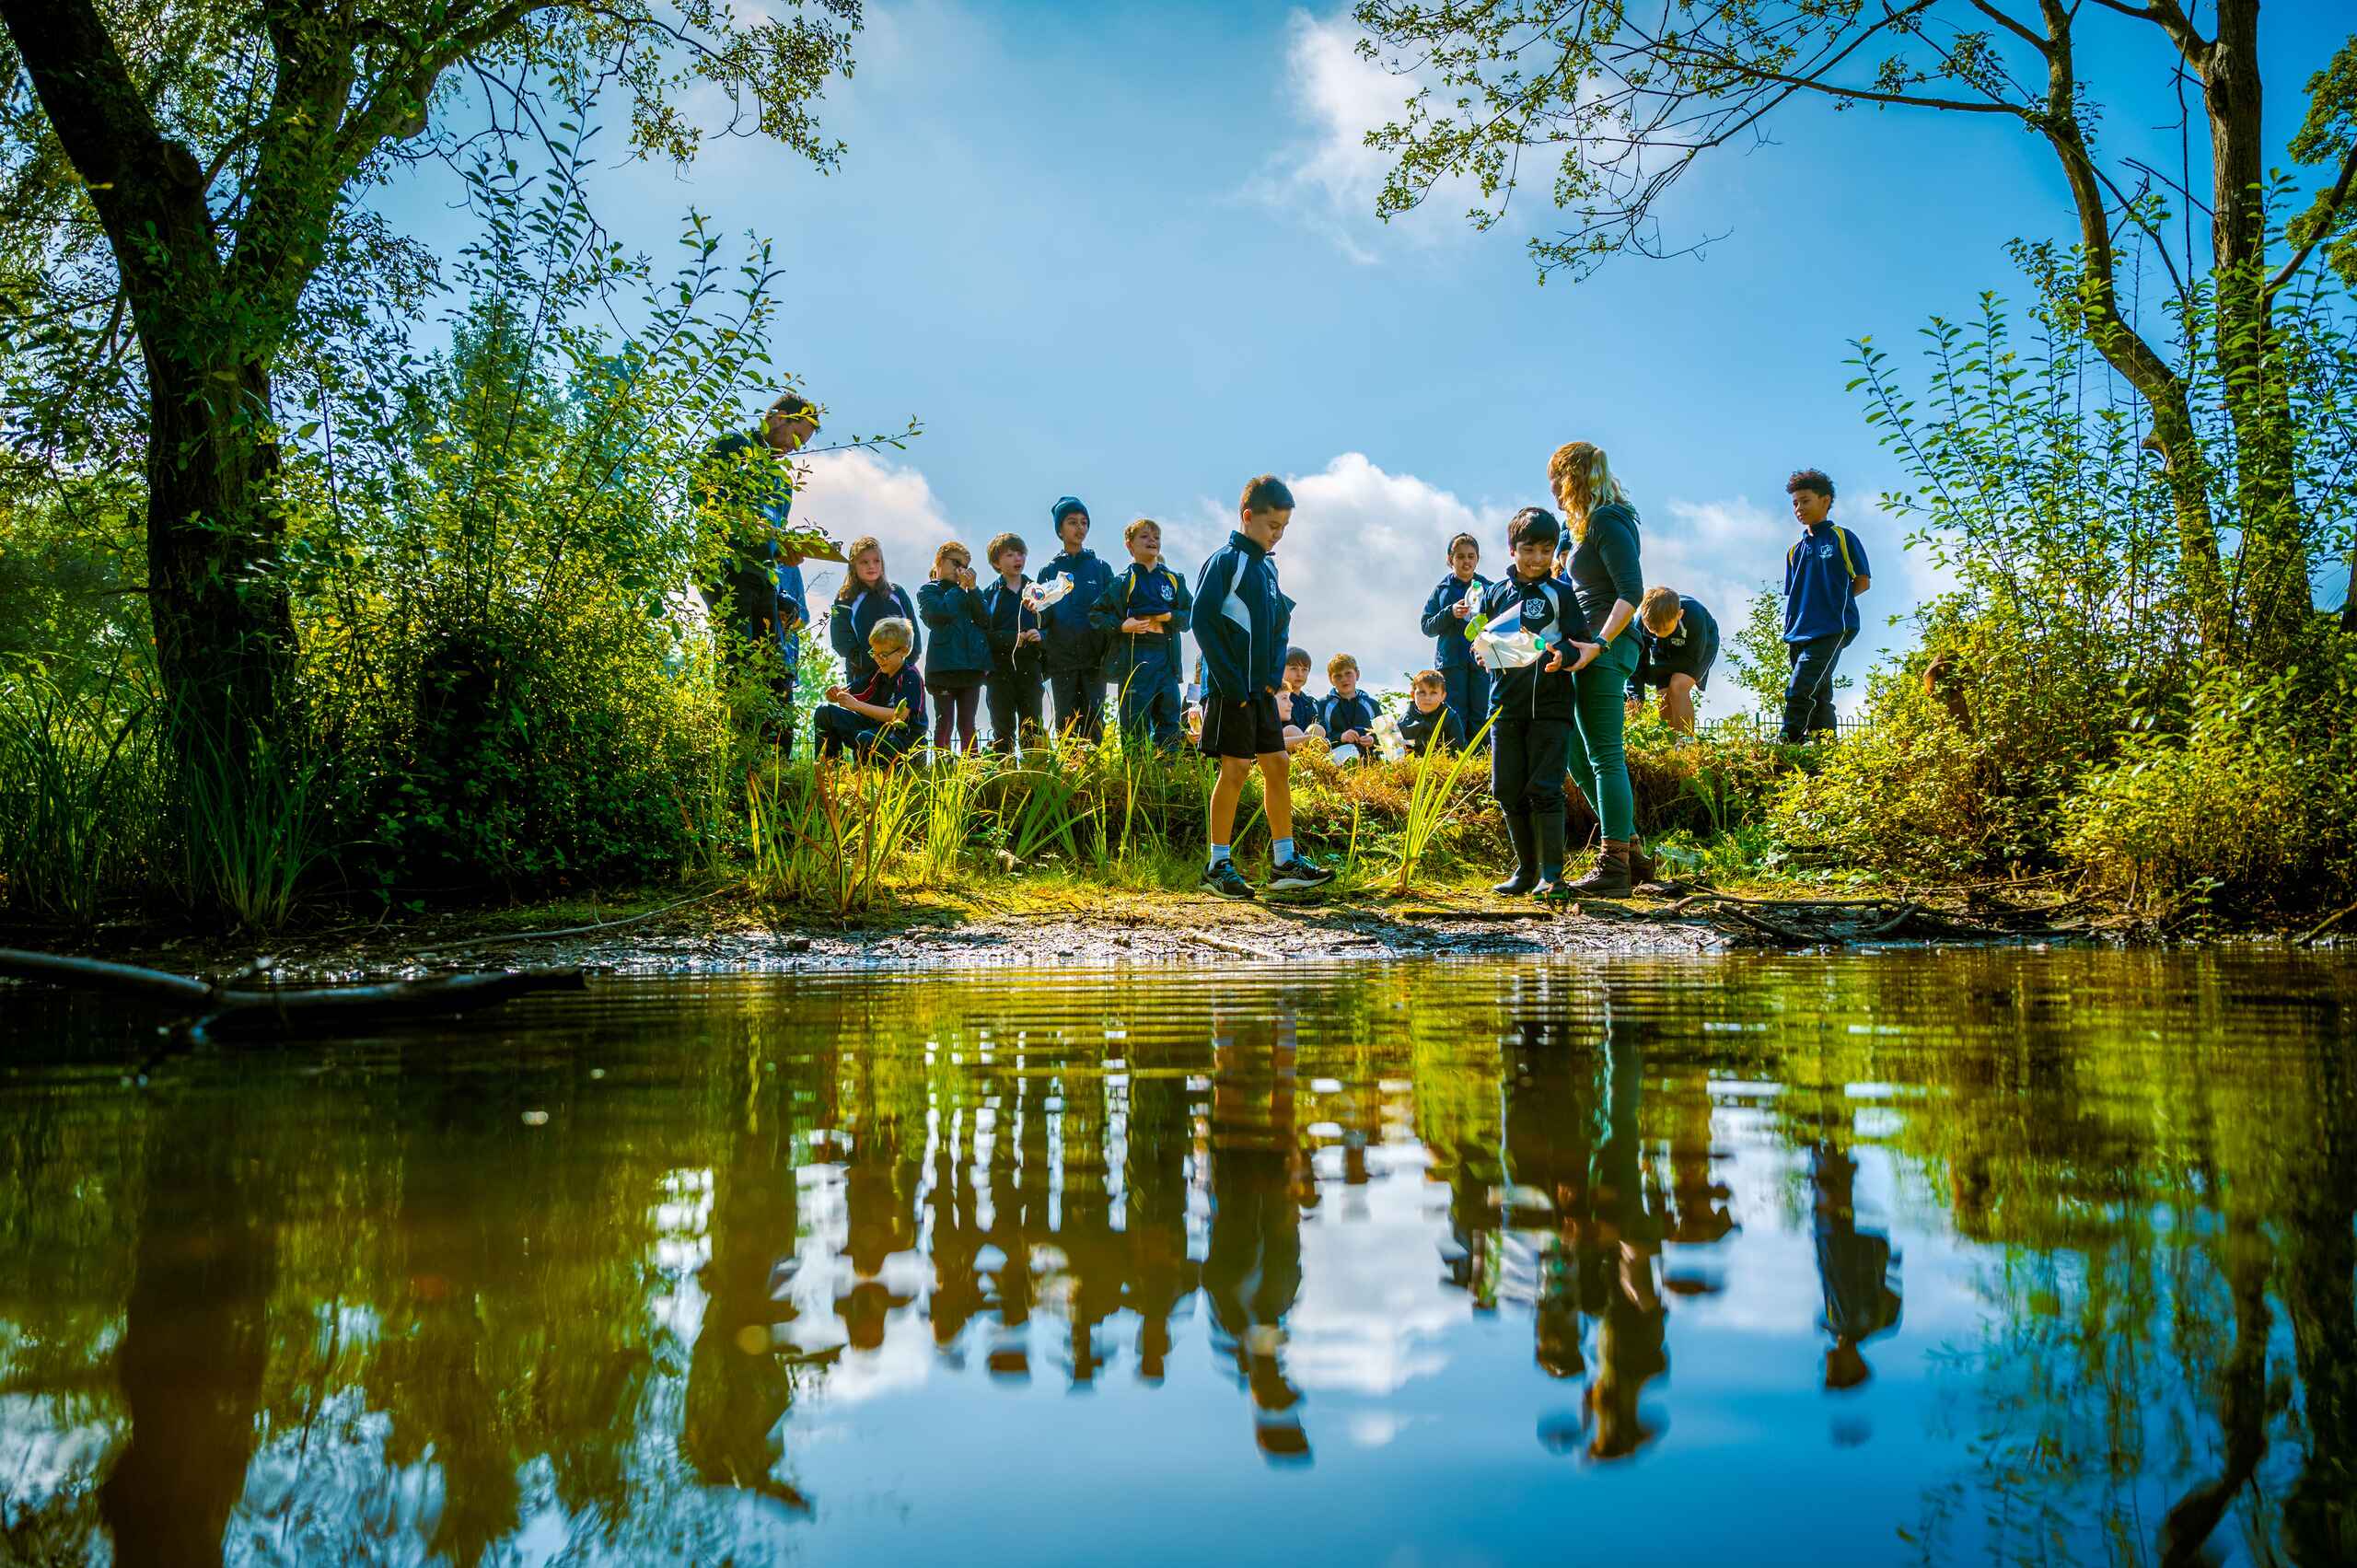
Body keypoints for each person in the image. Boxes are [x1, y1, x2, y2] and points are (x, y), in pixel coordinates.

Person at [1193, 474, 1335, 899]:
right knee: (1235, 769)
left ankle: (1284, 863)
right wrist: (1231, 685)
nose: (1278, 535)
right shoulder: (1226, 561)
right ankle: (1217, 865)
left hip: (1261, 692)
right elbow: (1202, 620)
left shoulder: (1268, 568)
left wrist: (1274, 682)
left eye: (1284, 529)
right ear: (1248, 516)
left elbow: (1279, 624)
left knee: (1278, 764)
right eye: (1273, 526)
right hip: (1229, 690)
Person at [1475, 506, 1600, 899]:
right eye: (1528, 549)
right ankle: (1525, 870)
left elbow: (1579, 640)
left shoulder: (1561, 593)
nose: (1536, 559)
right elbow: (1480, 640)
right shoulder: (1494, 593)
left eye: (1546, 551)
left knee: (1545, 788)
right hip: (1505, 708)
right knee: (1506, 789)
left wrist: (1563, 652)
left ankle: (1552, 875)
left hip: (1551, 707)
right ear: (1512, 549)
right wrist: (1480, 654)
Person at [1548, 440, 1648, 897]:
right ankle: (1632, 850)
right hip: (1581, 646)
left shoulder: (1609, 519)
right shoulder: (1582, 527)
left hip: (1607, 647)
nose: (1552, 489)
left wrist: (1599, 644)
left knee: (1605, 753)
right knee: (1571, 748)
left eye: (1556, 479)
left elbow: (1632, 591)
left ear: (1572, 477)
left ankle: (1615, 865)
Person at [695, 390, 819, 752]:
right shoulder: (734, 446)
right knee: (736, 658)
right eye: (797, 436)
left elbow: (774, 536)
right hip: (726, 569)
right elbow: (700, 493)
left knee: (775, 665)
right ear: (778, 417)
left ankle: (771, 757)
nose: (796, 448)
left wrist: (787, 550)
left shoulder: (781, 480)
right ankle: (733, 748)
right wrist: (747, 522)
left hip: (764, 577)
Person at [1781, 468, 1872, 743]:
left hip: (1831, 628)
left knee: (1800, 687)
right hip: (1797, 632)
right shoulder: (1795, 551)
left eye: (1805, 500)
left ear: (1825, 500)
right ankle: (1826, 747)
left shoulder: (1842, 537)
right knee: (1819, 692)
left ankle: (1788, 740)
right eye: (1795, 503)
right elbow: (1795, 593)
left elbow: (1862, 581)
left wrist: (1834, 605)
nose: (1799, 508)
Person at [1090, 517, 1194, 750]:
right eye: (1144, 537)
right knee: (1134, 726)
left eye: (1156, 537)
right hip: (1135, 659)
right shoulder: (1124, 581)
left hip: (1166, 658)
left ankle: (1167, 775)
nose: (1152, 541)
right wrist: (1121, 625)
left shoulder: (1173, 579)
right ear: (1130, 545)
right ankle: (1136, 777)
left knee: (1170, 722)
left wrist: (1169, 617)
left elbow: (1190, 615)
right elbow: (1096, 615)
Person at [1038, 496, 1115, 743]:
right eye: (1072, 522)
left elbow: (1111, 609)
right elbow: (1042, 616)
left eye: (1084, 522)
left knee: (1094, 721)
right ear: (1060, 529)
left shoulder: (1101, 568)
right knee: (1066, 723)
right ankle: (1069, 775)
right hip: (1062, 660)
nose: (1079, 528)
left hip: (1095, 660)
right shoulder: (1048, 571)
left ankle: (1094, 778)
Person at [812, 617, 926, 762]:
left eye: (883, 655)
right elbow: (848, 692)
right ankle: (828, 766)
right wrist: (835, 694)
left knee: (866, 738)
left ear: (903, 651)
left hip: (904, 741)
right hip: (876, 731)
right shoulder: (878, 674)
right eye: (874, 653)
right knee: (824, 711)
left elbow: (899, 717)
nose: (878, 659)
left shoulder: (910, 676)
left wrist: (857, 705)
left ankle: (873, 775)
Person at [1420, 531, 1492, 748]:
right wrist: (1450, 612)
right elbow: (1426, 626)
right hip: (1451, 662)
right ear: (1450, 559)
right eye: (1460, 556)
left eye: (1471, 556)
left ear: (1477, 559)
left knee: (1481, 711)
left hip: (1481, 661)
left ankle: (1481, 761)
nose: (1466, 561)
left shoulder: (1489, 588)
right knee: (1455, 713)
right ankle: (1457, 758)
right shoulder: (1442, 590)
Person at [917, 540, 991, 753]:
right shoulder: (928, 591)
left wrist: (974, 589)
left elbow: (985, 620)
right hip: (942, 669)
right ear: (939, 561)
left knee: (968, 724)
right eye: (956, 563)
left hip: (970, 668)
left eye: (965, 566)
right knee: (945, 722)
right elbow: (938, 614)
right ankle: (943, 769)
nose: (961, 570)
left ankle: (972, 769)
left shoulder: (970, 593)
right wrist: (960, 590)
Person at [980, 532, 1046, 753]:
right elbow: (983, 634)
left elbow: (1051, 624)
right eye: (1010, 555)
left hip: (1031, 667)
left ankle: (1036, 779)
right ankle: (1005, 776)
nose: (1017, 559)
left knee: (1032, 726)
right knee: (1002, 727)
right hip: (999, 671)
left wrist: (1040, 635)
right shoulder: (989, 594)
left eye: (1020, 554)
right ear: (996, 562)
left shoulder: (1037, 591)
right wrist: (1011, 639)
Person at [1627, 587, 1719, 738]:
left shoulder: (1694, 615)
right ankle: (1671, 746)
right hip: (1665, 649)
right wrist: (1636, 696)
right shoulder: (1640, 624)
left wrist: (1653, 673)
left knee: (1678, 686)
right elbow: (1636, 663)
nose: (1659, 634)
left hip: (1699, 646)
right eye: (1653, 630)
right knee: (1662, 695)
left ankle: (1685, 744)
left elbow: (1691, 659)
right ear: (1644, 619)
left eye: (1664, 628)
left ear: (1679, 614)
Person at [829, 536, 920, 688]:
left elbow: (913, 635)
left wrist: (902, 664)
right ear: (853, 565)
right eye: (864, 562)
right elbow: (841, 642)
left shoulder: (897, 593)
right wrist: (866, 662)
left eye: (876, 561)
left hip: (900, 676)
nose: (871, 566)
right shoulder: (845, 598)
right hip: (863, 678)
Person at [1318, 655, 1378, 760]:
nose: (1344, 679)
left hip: (1371, 761)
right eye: (1338, 676)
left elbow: (1385, 735)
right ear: (1330, 679)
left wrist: (1372, 740)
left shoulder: (1372, 704)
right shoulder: (1323, 705)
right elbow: (1319, 740)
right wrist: (1341, 737)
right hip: (1338, 760)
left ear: (1357, 674)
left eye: (1348, 673)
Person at [1398, 669, 1465, 755]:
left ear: (1443, 696)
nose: (1427, 698)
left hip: (1443, 766)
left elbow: (1458, 750)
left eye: (1433, 693)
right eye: (1422, 692)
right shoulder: (1403, 722)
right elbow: (1397, 753)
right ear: (1412, 695)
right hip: (1413, 766)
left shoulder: (1450, 718)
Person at [1277, 647, 1320, 752]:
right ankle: (1307, 752)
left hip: (1305, 747)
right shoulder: (1276, 698)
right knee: (1292, 730)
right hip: (1281, 749)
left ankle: (1307, 754)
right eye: (1294, 668)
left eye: (1304, 669)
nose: (1300, 674)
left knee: (1317, 728)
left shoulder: (1311, 703)